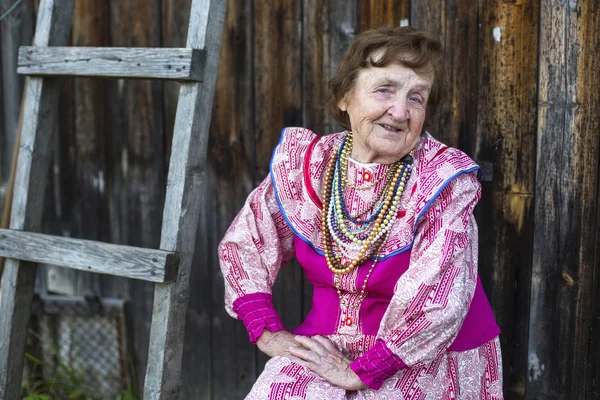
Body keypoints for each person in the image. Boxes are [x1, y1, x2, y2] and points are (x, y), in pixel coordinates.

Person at [218, 26, 503, 399]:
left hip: (425, 355)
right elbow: (247, 243)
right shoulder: (310, 165)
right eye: (385, 89)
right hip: (324, 347)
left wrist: (365, 371)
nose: (399, 111)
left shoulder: (444, 180)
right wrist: (268, 332)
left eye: (417, 98)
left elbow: (439, 299)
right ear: (344, 97)